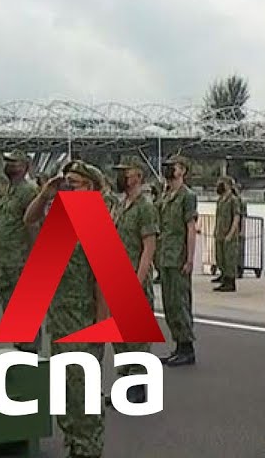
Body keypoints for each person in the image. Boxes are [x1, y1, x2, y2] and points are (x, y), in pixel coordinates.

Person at [24, 160, 109, 458]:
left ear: (90, 187)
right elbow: (29, 219)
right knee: (64, 387)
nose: (68, 188)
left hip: (83, 320)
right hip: (60, 318)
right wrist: (46, 193)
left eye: (74, 184)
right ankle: (74, 443)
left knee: (83, 389)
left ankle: (89, 448)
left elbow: (103, 280)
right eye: (66, 183)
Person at [111, 162, 159, 404]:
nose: (120, 177)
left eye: (125, 173)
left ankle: (138, 387)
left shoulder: (145, 207)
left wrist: (138, 281)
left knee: (136, 336)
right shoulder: (120, 206)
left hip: (134, 277)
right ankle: (124, 382)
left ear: (137, 177)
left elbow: (149, 247)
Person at [0, 152, 37, 346]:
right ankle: (20, 347)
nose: (9, 165)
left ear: (25, 167)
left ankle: (29, 351)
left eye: (14, 162)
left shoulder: (28, 192)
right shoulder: (7, 193)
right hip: (5, 261)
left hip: (21, 261)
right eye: (8, 162)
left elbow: (33, 225)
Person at [156, 154, 198, 366]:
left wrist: (190, 259)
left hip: (178, 256)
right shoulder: (166, 195)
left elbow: (191, 228)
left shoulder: (187, 196)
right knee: (170, 304)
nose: (169, 170)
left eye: (173, 167)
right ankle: (178, 345)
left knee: (180, 303)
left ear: (183, 170)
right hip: (165, 256)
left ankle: (187, 347)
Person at [213, 176, 243, 293]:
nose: (220, 185)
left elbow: (236, 217)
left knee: (229, 258)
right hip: (220, 233)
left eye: (222, 183)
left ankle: (230, 281)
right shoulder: (221, 200)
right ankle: (224, 277)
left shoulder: (233, 200)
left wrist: (231, 233)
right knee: (220, 257)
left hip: (229, 234)